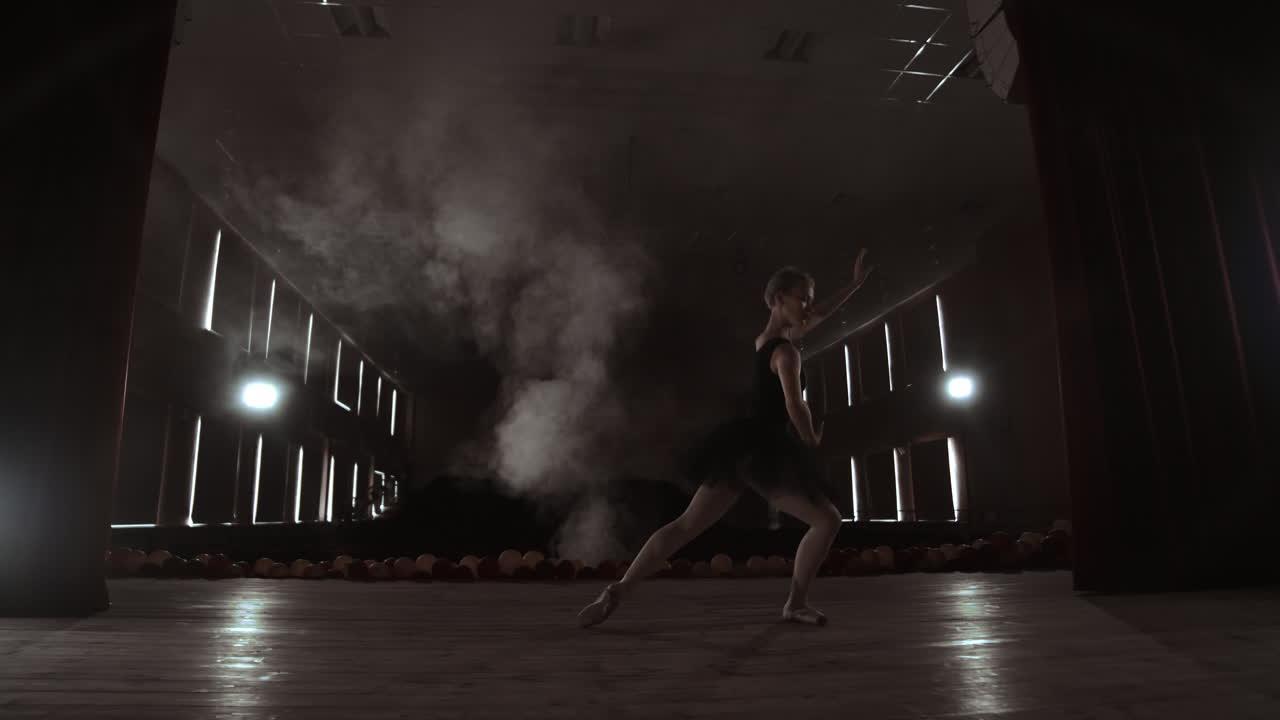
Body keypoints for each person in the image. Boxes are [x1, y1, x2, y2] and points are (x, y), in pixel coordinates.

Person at [577, 249, 875, 628]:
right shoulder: (786, 353)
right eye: (801, 297)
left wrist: (855, 284)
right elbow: (794, 404)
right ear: (779, 298)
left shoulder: (765, 340)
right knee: (828, 522)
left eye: (809, 300)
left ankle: (619, 590)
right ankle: (795, 603)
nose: (808, 306)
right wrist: (810, 437)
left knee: (685, 526)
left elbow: (819, 316)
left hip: (740, 450)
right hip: (764, 450)